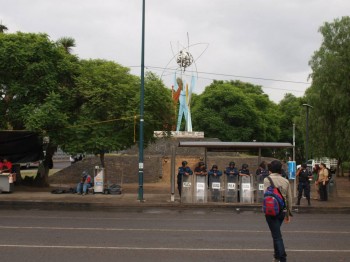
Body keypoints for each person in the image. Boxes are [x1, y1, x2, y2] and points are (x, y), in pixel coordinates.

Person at [264, 160, 293, 262]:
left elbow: (266, 195)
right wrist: (289, 213)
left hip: (270, 210)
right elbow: (289, 198)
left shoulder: (266, 180)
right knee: (275, 233)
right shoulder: (285, 181)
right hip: (282, 211)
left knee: (277, 236)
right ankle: (276, 256)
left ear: (270, 169)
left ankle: (282, 257)